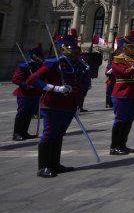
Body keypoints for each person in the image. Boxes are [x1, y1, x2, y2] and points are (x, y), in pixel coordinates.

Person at [26, 29, 90, 178]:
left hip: (68, 104)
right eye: (72, 48)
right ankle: (43, 166)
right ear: (63, 48)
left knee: (59, 134)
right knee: (49, 134)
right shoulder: (54, 63)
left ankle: (55, 164)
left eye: (76, 48)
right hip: (53, 103)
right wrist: (54, 88)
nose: (75, 51)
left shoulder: (77, 64)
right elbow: (32, 80)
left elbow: (79, 85)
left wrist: (77, 104)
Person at [109, 30, 134, 155]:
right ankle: (115, 146)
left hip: (133, 94)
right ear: (124, 48)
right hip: (122, 94)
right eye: (131, 47)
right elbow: (126, 72)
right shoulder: (118, 59)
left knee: (129, 120)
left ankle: (123, 144)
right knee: (120, 120)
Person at [11, 43, 44, 141]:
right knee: (22, 113)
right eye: (38, 55)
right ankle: (17, 133)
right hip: (25, 94)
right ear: (33, 56)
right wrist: (26, 84)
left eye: (41, 55)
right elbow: (15, 79)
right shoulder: (26, 66)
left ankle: (24, 132)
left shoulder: (40, 66)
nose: (40, 57)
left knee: (29, 113)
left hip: (35, 94)